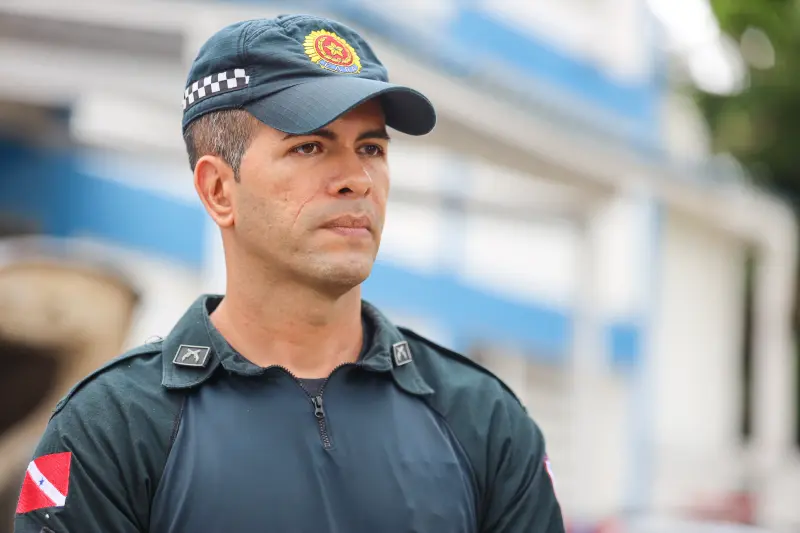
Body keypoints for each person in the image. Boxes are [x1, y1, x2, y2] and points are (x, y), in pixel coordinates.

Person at [13, 14, 564, 533]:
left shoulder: (482, 419)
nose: (356, 178)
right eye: (309, 147)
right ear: (218, 190)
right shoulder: (113, 428)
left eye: (371, 147)